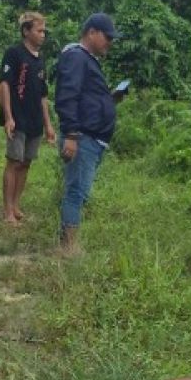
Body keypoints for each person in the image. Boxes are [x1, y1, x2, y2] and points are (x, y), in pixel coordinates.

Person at [54, 13, 123, 253]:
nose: (110, 43)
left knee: (80, 192)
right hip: (82, 137)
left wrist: (109, 99)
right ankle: (68, 247)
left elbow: (85, 97)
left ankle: (69, 242)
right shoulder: (76, 57)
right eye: (107, 37)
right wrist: (71, 135)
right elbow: (67, 97)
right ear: (91, 32)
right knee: (76, 192)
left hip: (92, 138)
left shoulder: (87, 59)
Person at [0, 11, 55, 223]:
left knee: (26, 163)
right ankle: (7, 210)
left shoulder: (40, 60)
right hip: (18, 117)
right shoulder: (14, 53)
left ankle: (16, 204)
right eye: (39, 30)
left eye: (44, 31)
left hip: (35, 120)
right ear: (26, 31)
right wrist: (8, 116)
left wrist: (48, 125)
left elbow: (43, 95)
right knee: (13, 161)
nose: (43, 35)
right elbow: (5, 84)